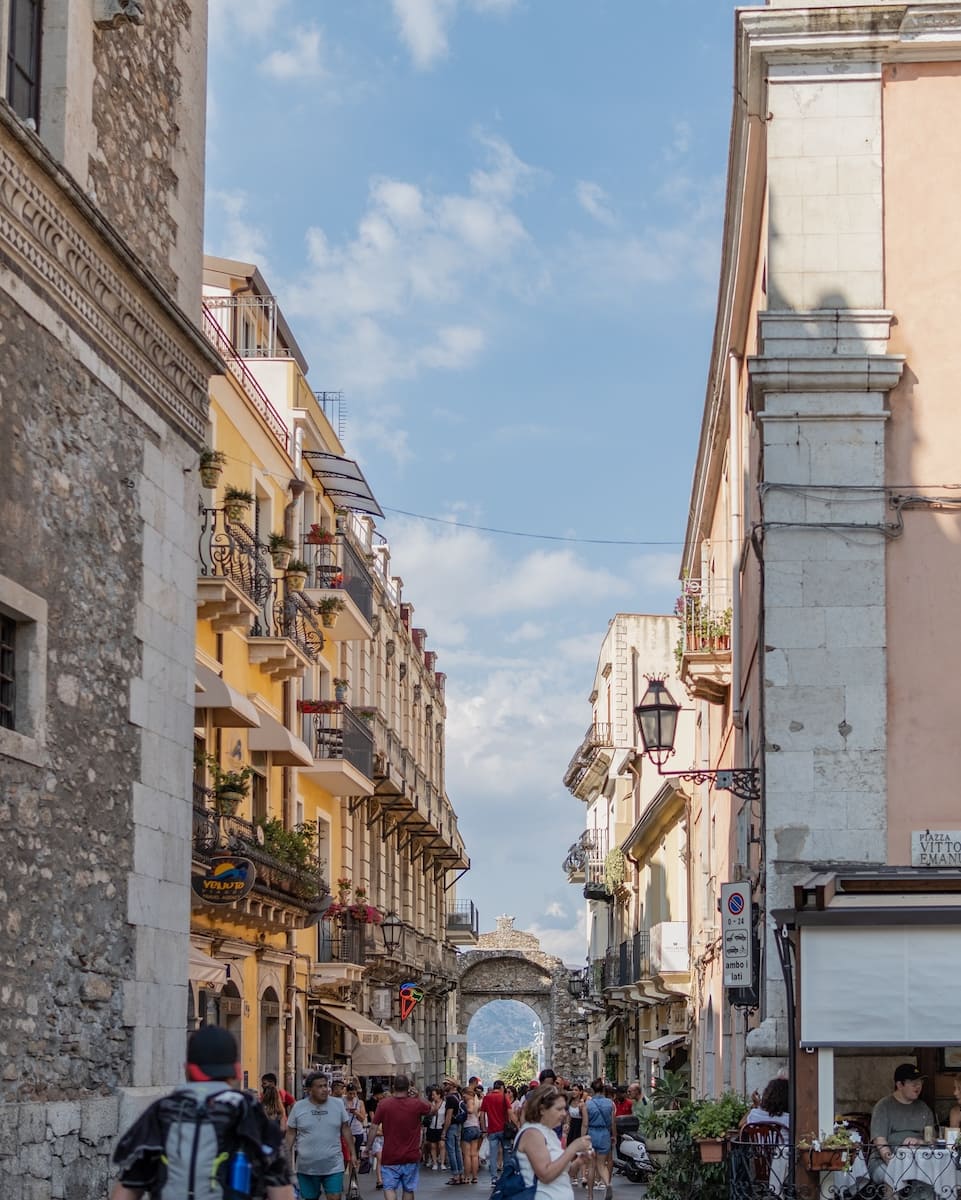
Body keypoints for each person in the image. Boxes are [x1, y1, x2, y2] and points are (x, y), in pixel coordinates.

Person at [111, 1025, 293, 1199]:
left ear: (187, 1070)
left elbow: (127, 1187)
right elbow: (279, 1187)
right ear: (237, 1071)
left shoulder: (162, 1110)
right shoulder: (248, 1111)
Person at [515, 1084, 595, 1200]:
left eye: (564, 1108)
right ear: (542, 1110)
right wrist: (572, 1148)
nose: (563, 1113)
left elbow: (561, 1174)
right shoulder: (532, 1134)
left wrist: (579, 1161)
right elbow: (545, 1175)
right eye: (558, 1109)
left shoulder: (549, 1133)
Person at [286, 1072, 357, 1200]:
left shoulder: (338, 1104)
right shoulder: (298, 1107)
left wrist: (353, 1153)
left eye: (325, 1085)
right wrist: (285, 1156)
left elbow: (345, 1129)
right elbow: (291, 1133)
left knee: (335, 1197)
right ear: (308, 1090)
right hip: (307, 1167)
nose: (324, 1089)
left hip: (333, 1165)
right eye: (319, 1086)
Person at [871, 1064, 936, 1192]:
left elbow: (931, 1140)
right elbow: (880, 1142)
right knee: (893, 1177)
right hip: (885, 1162)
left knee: (932, 1179)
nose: (918, 1086)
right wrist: (895, 1166)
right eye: (913, 1082)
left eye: (920, 1082)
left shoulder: (924, 1108)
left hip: (919, 1163)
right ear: (899, 1085)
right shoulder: (883, 1106)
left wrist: (919, 1142)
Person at [372, 1074, 433, 1200]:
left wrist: (367, 1148)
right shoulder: (416, 1104)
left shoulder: (383, 1104)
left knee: (389, 1188)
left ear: (393, 1087)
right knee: (408, 1189)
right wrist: (419, 1096)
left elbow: (373, 1127)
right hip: (410, 1155)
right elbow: (433, 1109)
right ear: (409, 1087)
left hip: (390, 1156)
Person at [584, 1078, 616, 1200]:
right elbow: (613, 1122)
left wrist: (583, 1138)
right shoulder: (609, 1103)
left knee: (592, 1166)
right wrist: (614, 1135)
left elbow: (585, 1123)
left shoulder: (588, 1104)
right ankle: (607, 1184)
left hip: (592, 1133)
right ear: (603, 1089)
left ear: (592, 1090)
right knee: (602, 1164)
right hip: (604, 1134)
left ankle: (590, 1195)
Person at [480, 1078, 512, 1185]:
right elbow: (510, 1112)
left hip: (492, 1131)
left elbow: (482, 1115)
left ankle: (494, 1178)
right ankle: (506, 1176)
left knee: (493, 1156)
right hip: (504, 1130)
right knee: (506, 1154)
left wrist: (484, 1128)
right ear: (502, 1087)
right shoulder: (504, 1097)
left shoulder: (486, 1098)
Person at [442, 1078, 468, 1185]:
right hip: (458, 1125)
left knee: (451, 1151)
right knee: (457, 1150)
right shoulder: (458, 1096)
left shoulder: (450, 1098)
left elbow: (448, 1116)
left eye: (446, 1084)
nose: (444, 1085)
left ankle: (455, 1175)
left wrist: (444, 1131)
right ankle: (461, 1174)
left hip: (452, 1125)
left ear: (452, 1086)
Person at [461, 1083, 484, 1183]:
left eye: (464, 1094)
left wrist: (464, 1108)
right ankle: (475, 1177)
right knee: (474, 1154)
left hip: (468, 1127)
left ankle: (467, 1176)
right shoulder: (477, 1101)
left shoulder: (469, 1101)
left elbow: (470, 1110)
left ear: (468, 1094)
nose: (463, 1096)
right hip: (476, 1127)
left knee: (467, 1154)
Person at [426, 1085, 447, 1170]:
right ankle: (434, 1163)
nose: (432, 1096)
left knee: (442, 1145)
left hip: (440, 1127)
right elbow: (428, 1114)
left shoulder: (445, 1104)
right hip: (432, 1127)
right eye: (432, 1095)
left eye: (434, 1094)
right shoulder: (431, 1104)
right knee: (433, 1146)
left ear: (439, 1095)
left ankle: (442, 1163)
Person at [345, 1082, 368, 1160]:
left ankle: (354, 1170)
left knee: (355, 1153)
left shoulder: (359, 1102)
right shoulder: (341, 1101)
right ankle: (347, 1169)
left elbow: (362, 1118)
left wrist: (355, 1112)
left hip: (357, 1131)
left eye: (354, 1094)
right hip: (346, 1131)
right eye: (350, 1093)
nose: (352, 1096)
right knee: (347, 1155)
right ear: (346, 1092)